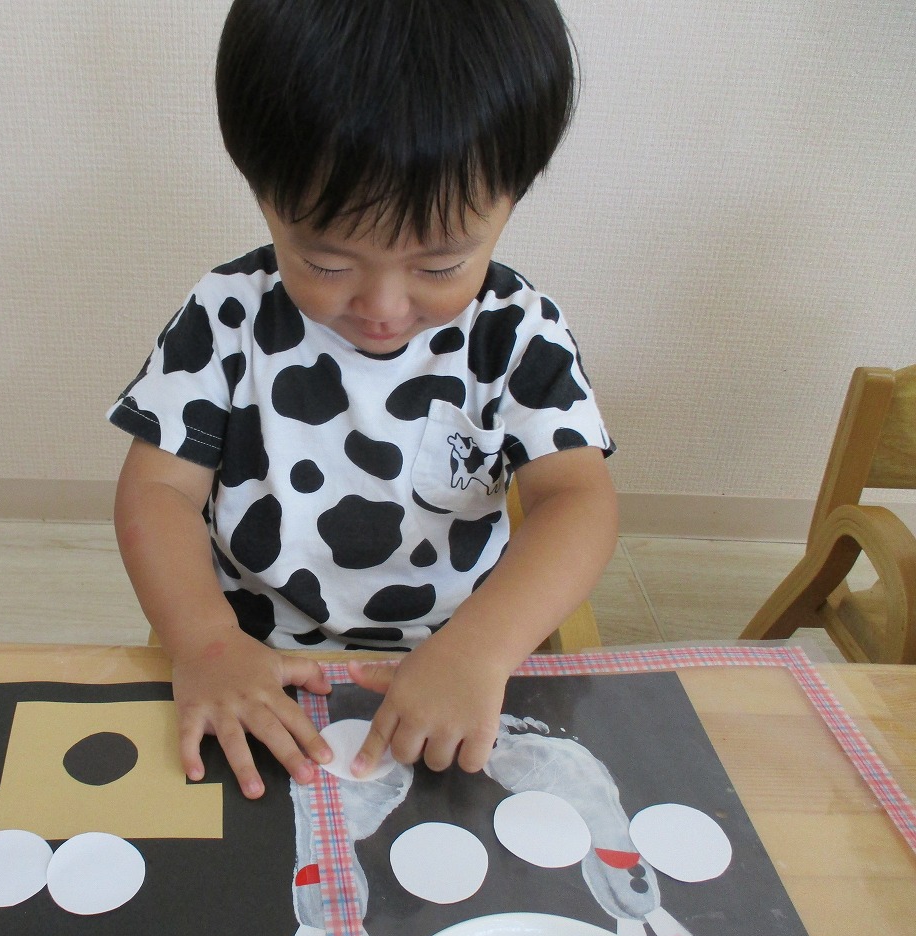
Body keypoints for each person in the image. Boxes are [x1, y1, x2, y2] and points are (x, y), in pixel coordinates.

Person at [107, 0, 617, 801]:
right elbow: (157, 490)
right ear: (263, 193)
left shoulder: (517, 334)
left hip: (456, 667)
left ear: (512, 200)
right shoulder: (227, 316)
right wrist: (205, 643)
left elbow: (577, 500)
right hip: (256, 667)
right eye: (327, 262)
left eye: (439, 266)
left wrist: (482, 649)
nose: (382, 306)